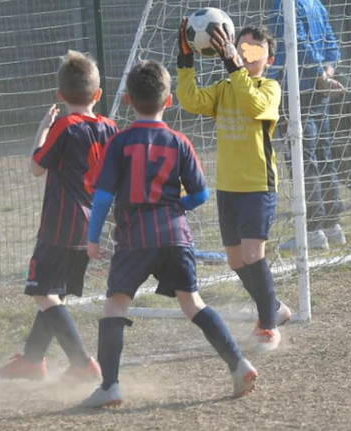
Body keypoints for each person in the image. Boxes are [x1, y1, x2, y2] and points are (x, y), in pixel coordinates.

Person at [81, 60, 258, 408]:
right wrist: (176, 207)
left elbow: (102, 197)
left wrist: (92, 237)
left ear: (128, 100)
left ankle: (110, 387)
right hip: (176, 235)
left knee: (115, 306)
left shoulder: (120, 142)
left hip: (134, 238)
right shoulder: (179, 141)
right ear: (170, 100)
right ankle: (238, 364)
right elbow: (201, 194)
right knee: (193, 303)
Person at [0, 50, 118, 382]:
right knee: (54, 292)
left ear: (60, 95)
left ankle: (81, 362)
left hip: (60, 225)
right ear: (98, 94)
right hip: (92, 225)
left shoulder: (65, 125)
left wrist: (43, 129)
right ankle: (32, 361)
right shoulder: (110, 127)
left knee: (42, 291)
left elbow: (36, 166)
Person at [176, 21, 291, 352]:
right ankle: (275, 308)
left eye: (256, 49)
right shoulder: (225, 88)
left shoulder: (270, 88)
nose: (247, 53)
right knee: (237, 261)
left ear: (269, 59)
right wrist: (186, 61)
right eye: (241, 47)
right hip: (228, 187)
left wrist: (233, 65)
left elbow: (253, 105)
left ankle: (267, 325)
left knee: (254, 255)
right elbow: (191, 100)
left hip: (258, 186)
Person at [269, 0, 351, 250]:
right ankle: (332, 225)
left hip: (297, 88)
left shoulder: (284, 4)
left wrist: (320, 75)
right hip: (319, 87)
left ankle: (312, 229)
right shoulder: (315, 3)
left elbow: (297, 42)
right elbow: (330, 41)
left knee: (304, 159)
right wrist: (327, 72)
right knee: (324, 155)